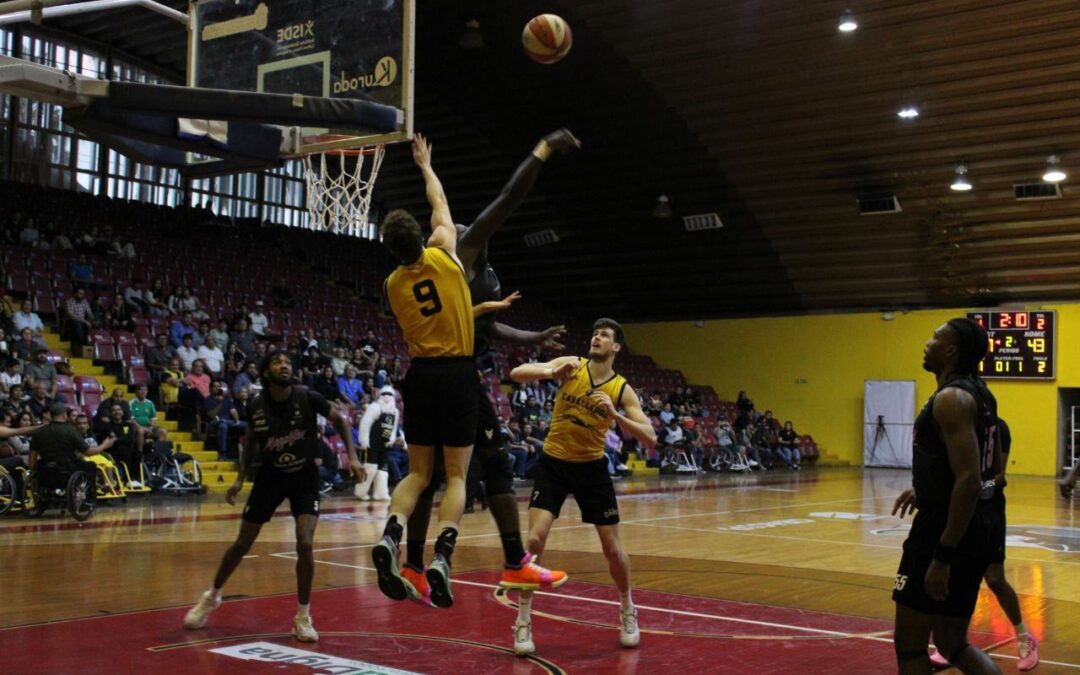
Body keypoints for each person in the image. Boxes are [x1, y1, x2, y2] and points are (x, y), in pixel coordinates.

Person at [399, 128, 579, 608]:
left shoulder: (474, 272)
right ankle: (511, 562)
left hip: (445, 372)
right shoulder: (462, 252)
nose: (460, 229)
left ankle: (415, 566)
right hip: (456, 375)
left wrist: (533, 339)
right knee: (480, 467)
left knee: (436, 471)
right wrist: (542, 149)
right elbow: (508, 198)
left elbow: (489, 326)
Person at [369, 133, 480, 609]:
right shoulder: (444, 254)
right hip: (457, 374)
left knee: (418, 473)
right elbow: (441, 206)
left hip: (419, 376)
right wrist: (425, 166)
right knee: (456, 477)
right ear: (422, 238)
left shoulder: (391, 285)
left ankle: (391, 534)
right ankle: (442, 556)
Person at [183, 350, 363, 642]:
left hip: (304, 477)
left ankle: (303, 616)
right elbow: (251, 441)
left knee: (305, 543)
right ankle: (212, 596)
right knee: (242, 543)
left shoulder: (307, 397)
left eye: (288, 362)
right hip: (270, 477)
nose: (284, 365)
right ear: (266, 372)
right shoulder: (256, 405)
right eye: (278, 362)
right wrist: (240, 478)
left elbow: (341, 420)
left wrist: (352, 458)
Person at [508, 319, 657, 656]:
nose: (596, 337)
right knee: (534, 541)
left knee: (612, 549)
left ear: (616, 347)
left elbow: (650, 437)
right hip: (554, 464)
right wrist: (552, 371)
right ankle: (522, 620)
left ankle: (628, 608)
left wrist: (615, 415)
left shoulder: (621, 388)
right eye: (594, 333)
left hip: (591, 468)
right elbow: (517, 373)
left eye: (604, 335)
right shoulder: (572, 366)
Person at [891, 318, 1003, 675]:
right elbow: (981, 469)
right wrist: (927, 488)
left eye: (935, 338)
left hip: (945, 529)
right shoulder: (980, 392)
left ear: (952, 350)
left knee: (910, 647)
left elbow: (969, 480)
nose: (928, 343)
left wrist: (941, 557)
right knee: (952, 642)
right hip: (976, 525)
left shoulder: (951, 399)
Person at [928, 417, 1038, 670]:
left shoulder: (998, 427)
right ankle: (950, 643)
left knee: (995, 579)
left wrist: (973, 484)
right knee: (955, 575)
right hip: (962, 509)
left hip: (990, 512)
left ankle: (1025, 638)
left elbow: (999, 477)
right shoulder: (957, 424)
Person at [354, 385, 399, 502]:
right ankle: (361, 492)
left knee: (383, 469)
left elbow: (393, 428)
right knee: (370, 467)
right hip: (372, 443)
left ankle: (381, 493)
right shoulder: (375, 407)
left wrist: (392, 438)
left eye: (390, 395)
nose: (387, 397)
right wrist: (364, 440)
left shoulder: (395, 412)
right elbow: (365, 424)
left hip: (384, 445)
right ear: (380, 396)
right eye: (384, 394)